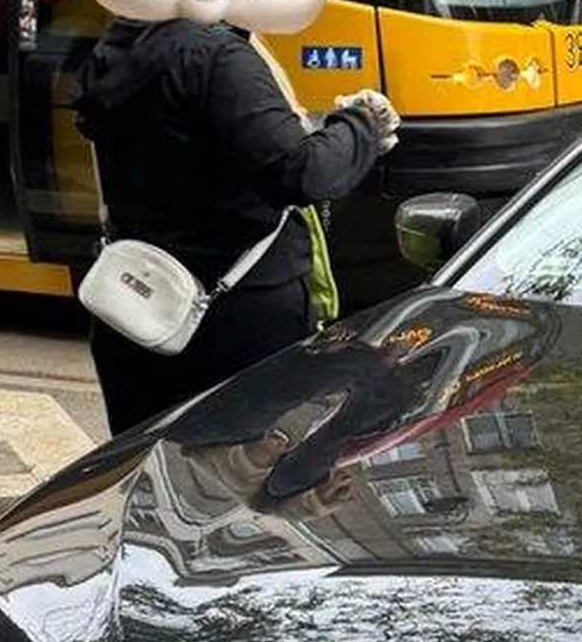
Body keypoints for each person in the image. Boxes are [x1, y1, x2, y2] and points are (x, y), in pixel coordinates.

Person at [73, 22, 397, 433]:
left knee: (143, 466)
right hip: (233, 316)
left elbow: (209, 137)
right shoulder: (218, 56)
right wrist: (361, 125)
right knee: (242, 471)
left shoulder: (118, 44)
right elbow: (302, 172)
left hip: (131, 304)